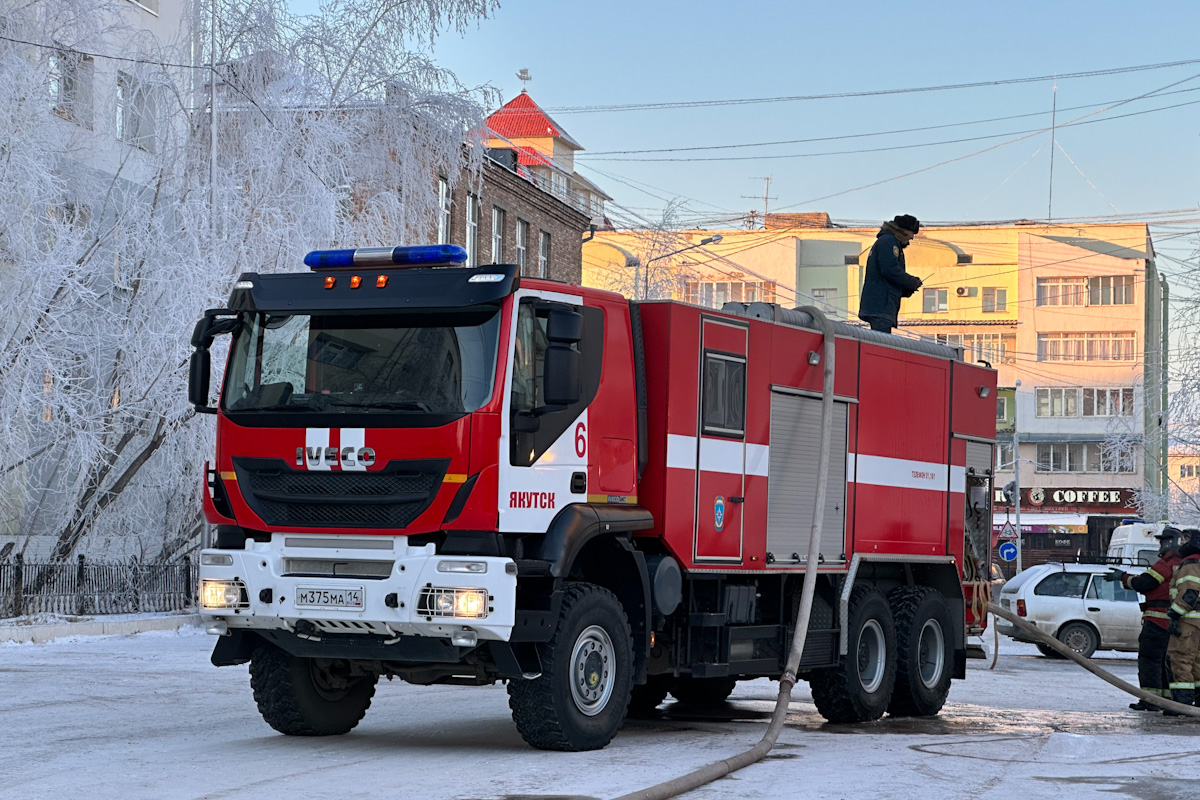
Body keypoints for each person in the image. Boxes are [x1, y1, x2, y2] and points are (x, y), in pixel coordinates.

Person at [1104, 527, 1184, 710]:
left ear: (1170, 542)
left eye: (1163, 541)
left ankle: (1150, 700)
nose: (1160, 545)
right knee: (1165, 663)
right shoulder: (1181, 564)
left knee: (1149, 661)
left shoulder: (1166, 563)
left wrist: (1122, 577)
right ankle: (1164, 700)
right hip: (1171, 624)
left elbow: (1144, 583)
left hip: (1157, 622)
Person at [858, 215, 924, 334]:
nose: (912, 237)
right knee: (882, 343)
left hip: (881, 303)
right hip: (881, 305)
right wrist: (911, 282)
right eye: (911, 233)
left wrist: (905, 290)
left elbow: (887, 277)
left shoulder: (887, 241)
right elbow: (890, 270)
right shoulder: (889, 241)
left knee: (881, 340)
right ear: (903, 230)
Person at [1165, 527, 1200, 713]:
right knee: (1196, 663)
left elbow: (1190, 593)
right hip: (1197, 622)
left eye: (1185, 539)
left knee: (1180, 660)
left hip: (1188, 621)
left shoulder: (1190, 564)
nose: (1181, 543)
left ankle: (1181, 704)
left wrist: (1174, 614)